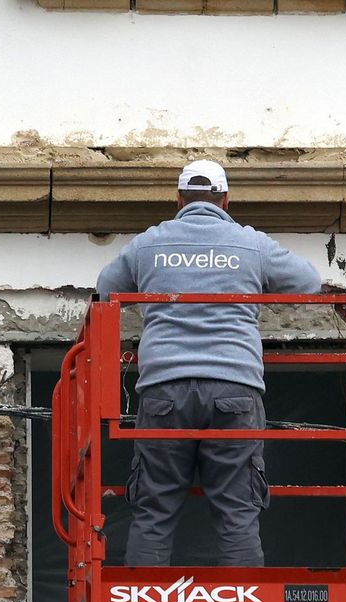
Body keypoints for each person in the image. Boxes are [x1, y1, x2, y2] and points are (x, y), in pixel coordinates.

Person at [96, 160, 322, 567]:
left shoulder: (149, 243)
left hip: (164, 388)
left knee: (153, 513)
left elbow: (106, 290)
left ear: (179, 199)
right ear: (226, 201)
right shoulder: (249, 243)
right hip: (235, 387)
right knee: (238, 514)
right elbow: (308, 282)